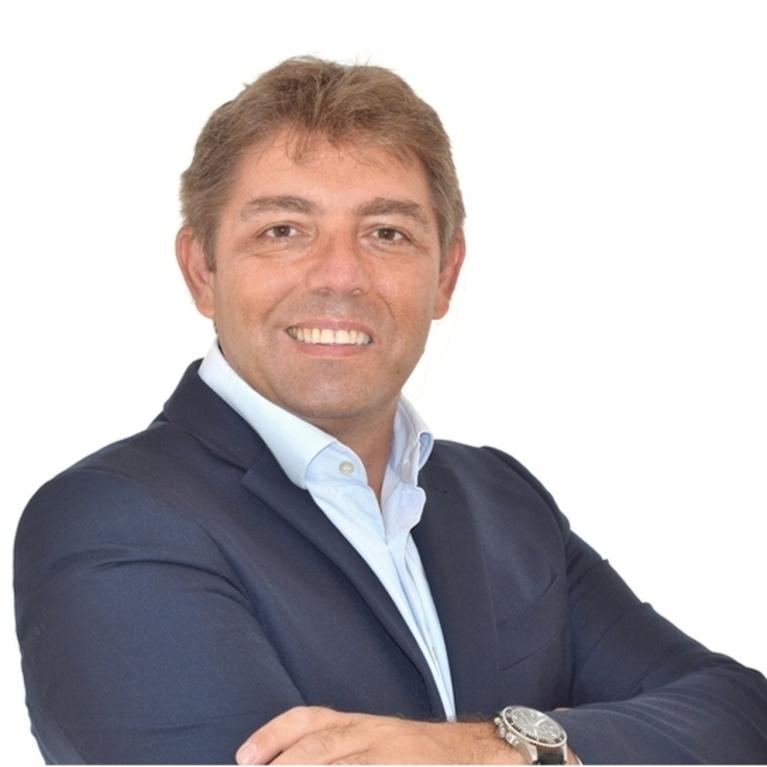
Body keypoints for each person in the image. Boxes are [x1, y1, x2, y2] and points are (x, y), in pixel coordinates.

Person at [13, 56, 767, 765]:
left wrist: (490, 749)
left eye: (387, 233)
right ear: (201, 270)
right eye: (283, 231)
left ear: (445, 275)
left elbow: (738, 714)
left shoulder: (502, 501)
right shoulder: (109, 522)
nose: (340, 276)